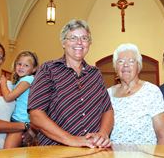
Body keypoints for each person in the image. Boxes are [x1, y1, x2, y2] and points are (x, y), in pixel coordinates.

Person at [28, 19, 114, 148]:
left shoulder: (95, 74)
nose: (79, 42)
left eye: (84, 38)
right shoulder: (48, 69)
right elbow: (36, 114)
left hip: (93, 150)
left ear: (89, 43)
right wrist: (71, 139)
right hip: (56, 152)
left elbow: (107, 110)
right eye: (73, 37)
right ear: (63, 42)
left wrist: (103, 134)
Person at [107, 43, 164, 145]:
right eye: (120, 61)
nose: (125, 65)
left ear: (139, 66)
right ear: (115, 67)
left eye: (131, 61)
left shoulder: (151, 91)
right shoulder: (108, 94)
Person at [0, 51, 39, 148]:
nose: (21, 67)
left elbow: (9, 97)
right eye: (19, 64)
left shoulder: (28, 80)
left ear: (34, 69)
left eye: (26, 65)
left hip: (20, 121)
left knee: (7, 153)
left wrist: (3, 83)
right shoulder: (21, 81)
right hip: (17, 120)